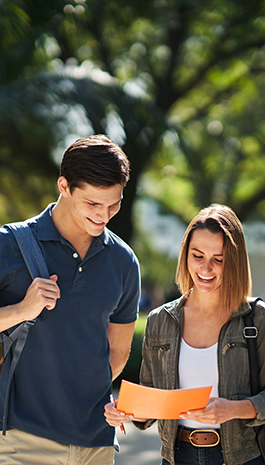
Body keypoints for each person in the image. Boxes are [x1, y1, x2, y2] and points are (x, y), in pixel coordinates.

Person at [0, 135, 140, 465]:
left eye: (114, 204)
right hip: (21, 439)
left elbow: (118, 351)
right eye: (93, 204)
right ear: (64, 186)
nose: (104, 215)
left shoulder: (124, 262)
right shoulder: (8, 245)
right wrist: (21, 310)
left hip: (96, 443)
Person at [104, 204, 265, 465]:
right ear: (185, 255)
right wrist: (124, 410)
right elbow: (150, 401)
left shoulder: (257, 318)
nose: (206, 268)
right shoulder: (160, 320)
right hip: (178, 456)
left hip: (243, 458)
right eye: (197, 256)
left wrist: (233, 410)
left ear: (234, 261)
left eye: (219, 259)